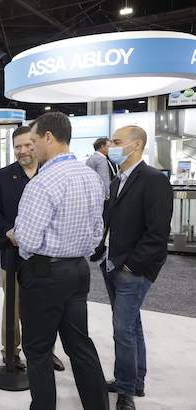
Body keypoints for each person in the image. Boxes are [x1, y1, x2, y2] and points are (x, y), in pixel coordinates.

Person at [14, 112, 109, 410]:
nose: (31, 149)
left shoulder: (43, 183)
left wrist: (21, 239)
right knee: (80, 346)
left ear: (48, 138)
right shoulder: (90, 176)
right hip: (79, 271)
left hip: (44, 274)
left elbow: (27, 240)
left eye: (33, 141)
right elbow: (97, 233)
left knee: (38, 351)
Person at [92, 126, 173, 410]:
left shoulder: (153, 180)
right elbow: (112, 222)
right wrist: (102, 249)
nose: (110, 146)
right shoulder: (117, 181)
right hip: (112, 263)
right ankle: (134, 381)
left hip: (132, 269)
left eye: (116, 142)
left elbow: (157, 233)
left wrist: (130, 266)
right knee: (131, 325)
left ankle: (125, 391)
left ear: (136, 145)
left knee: (122, 328)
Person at [0, 126, 65, 372]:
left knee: (45, 308)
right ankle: (10, 352)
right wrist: (9, 231)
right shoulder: (2, 176)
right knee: (12, 306)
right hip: (12, 256)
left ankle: (46, 352)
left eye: (26, 145)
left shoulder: (51, 174)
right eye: (17, 147)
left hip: (46, 257)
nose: (21, 151)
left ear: (37, 144)